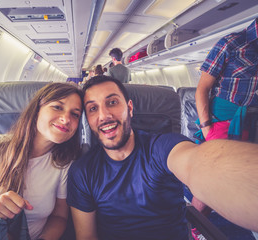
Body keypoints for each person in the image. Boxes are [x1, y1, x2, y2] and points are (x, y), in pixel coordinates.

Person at [67, 75, 258, 240]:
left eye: (112, 102)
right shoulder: (82, 171)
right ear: (88, 120)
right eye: (93, 109)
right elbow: (87, 236)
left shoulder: (161, 147)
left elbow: (197, 163)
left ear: (130, 108)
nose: (104, 115)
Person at [0, 83, 84, 240]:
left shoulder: (64, 162)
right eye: (58, 107)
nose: (66, 119)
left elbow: (59, 217)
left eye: (75, 114)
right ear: (37, 109)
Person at [192, 17, 258, 236]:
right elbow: (202, 89)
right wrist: (206, 129)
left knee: (249, 178)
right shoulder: (231, 43)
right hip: (224, 121)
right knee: (210, 178)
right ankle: (193, 228)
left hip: (253, 121)